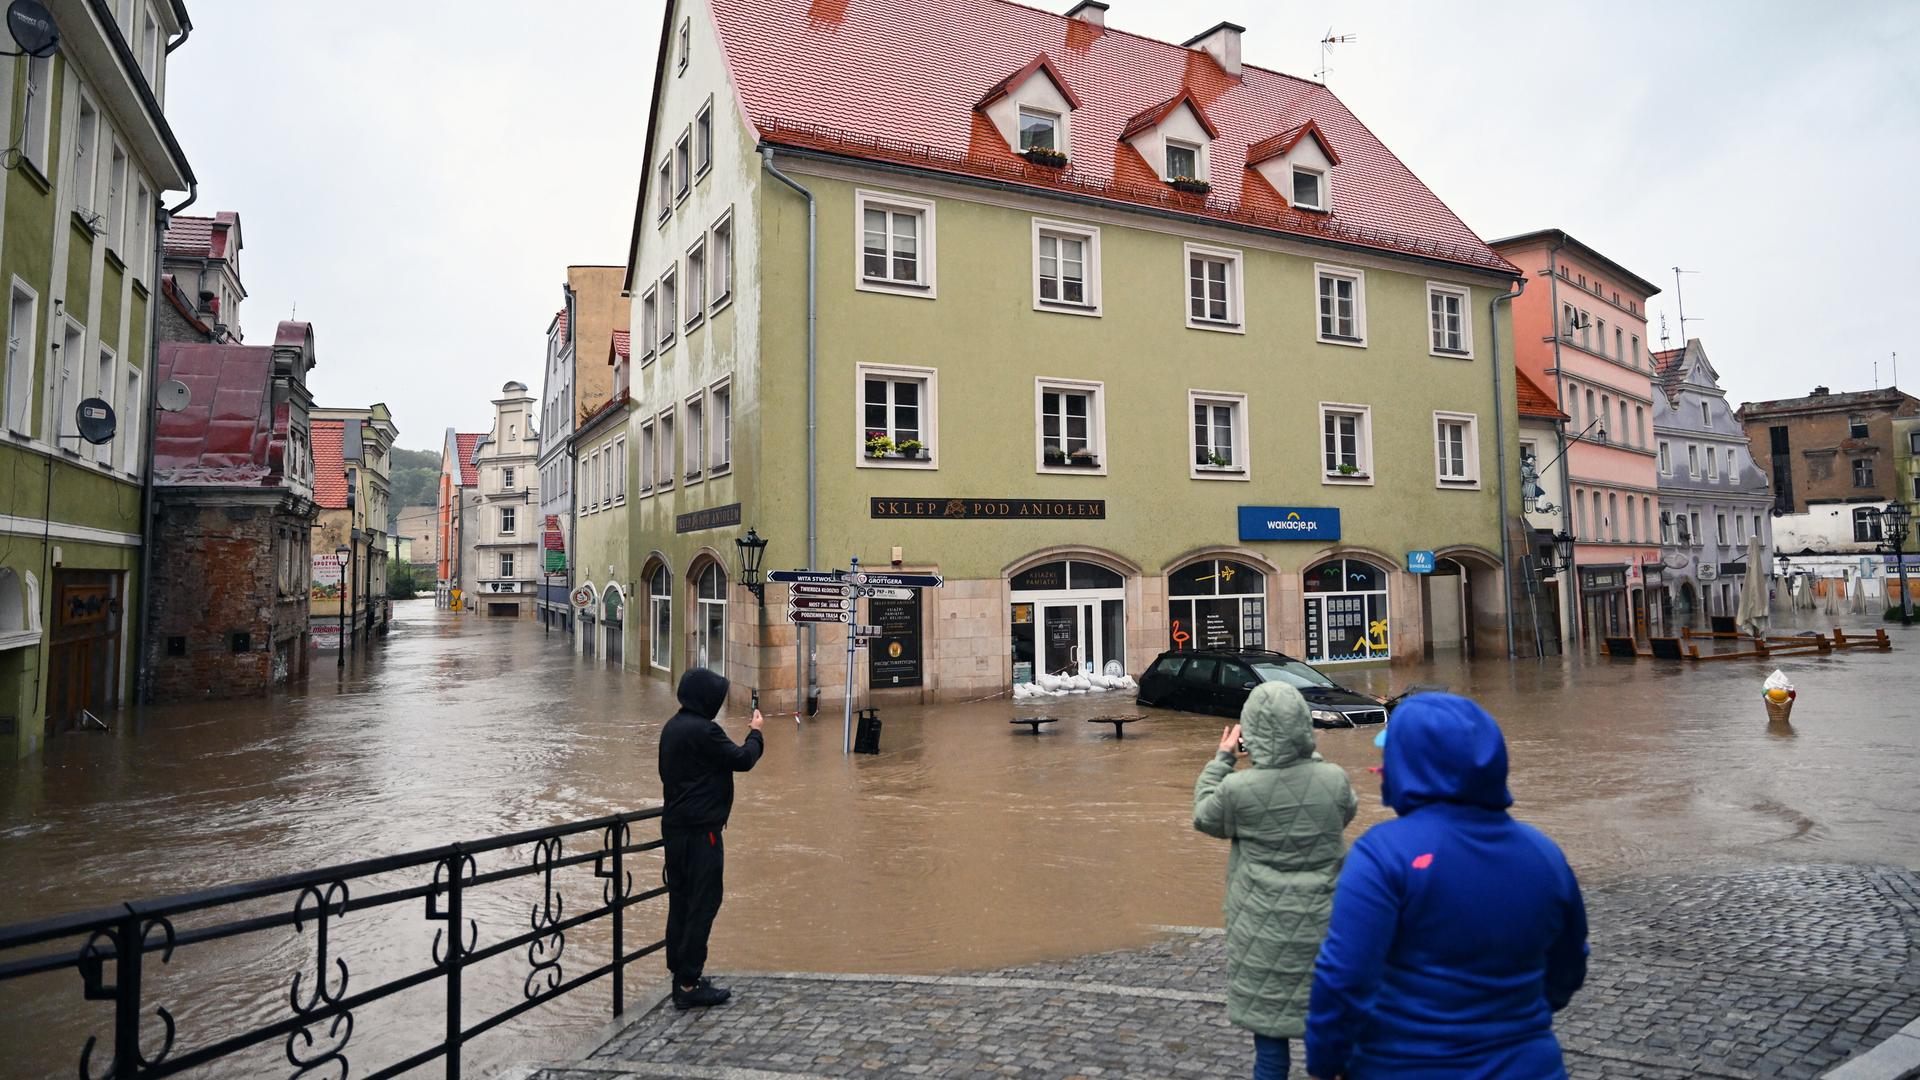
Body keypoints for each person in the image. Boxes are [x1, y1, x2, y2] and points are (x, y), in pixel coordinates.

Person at [1305, 694, 1588, 1080]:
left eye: (1392, 756)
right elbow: (1568, 967)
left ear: (1413, 767)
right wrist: (1514, 1018)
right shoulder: (1545, 855)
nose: (1381, 768)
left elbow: (1343, 979)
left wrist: (1326, 1064)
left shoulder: (1382, 855)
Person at [1195, 682, 1359, 1080]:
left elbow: (1203, 814)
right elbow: (1346, 812)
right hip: (1326, 931)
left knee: (1270, 1054)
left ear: (1251, 733)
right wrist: (1309, 756)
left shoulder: (1238, 790)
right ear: (1304, 725)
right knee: (1334, 1044)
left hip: (1262, 936)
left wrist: (1222, 758)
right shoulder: (1333, 779)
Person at [658, 667, 764, 1009]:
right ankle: (689, 984)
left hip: (674, 830)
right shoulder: (705, 731)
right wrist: (756, 733)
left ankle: (680, 975)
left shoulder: (672, 728)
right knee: (704, 904)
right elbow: (742, 760)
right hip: (702, 832)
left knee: (681, 902)